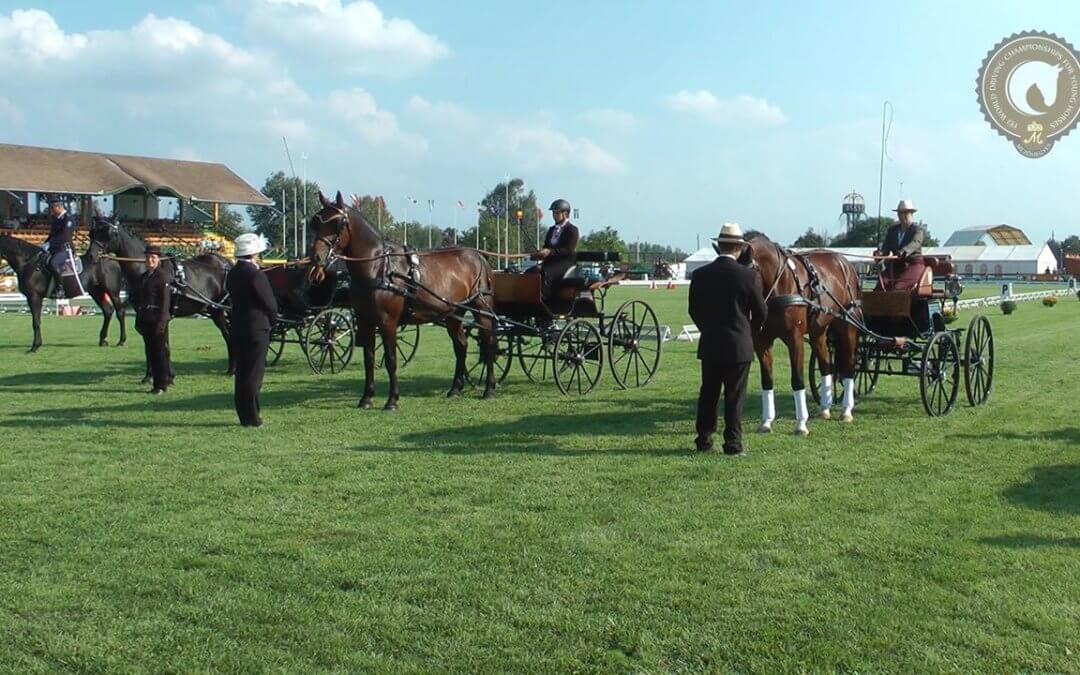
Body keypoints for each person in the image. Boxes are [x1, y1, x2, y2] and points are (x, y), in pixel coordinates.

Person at [688, 223, 767, 456]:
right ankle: (733, 444)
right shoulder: (748, 276)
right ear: (740, 249)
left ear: (718, 246)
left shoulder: (700, 275)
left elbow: (694, 310)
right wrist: (748, 330)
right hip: (739, 345)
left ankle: (703, 439)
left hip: (711, 342)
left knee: (708, 393)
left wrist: (708, 328)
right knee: (734, 396)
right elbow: (761, 312)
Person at [226, 233, 278, 427]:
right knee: (254, 374)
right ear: (254, 254)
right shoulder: (256, 275)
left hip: (238, 326)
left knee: (242, 373)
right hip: (257, 328)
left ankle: (244, 415)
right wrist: (272, 321)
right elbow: (270, 304)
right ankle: (253, 417)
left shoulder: (232, 273)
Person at [135, 245, 173, 395]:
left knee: (159, 354)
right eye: (148, 257)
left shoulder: (162, 277)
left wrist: (162, 323)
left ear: (158, 260)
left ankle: (161, 385)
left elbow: (165, 303)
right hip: (146, 319)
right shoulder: (144, 278)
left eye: (153, 258)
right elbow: (140, 302)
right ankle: (156, 384)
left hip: (157, 320)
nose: (150, 260)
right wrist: (139, 321)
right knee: (150, 353)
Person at [528, 198, 580, 299]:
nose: (554, 215)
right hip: (550, 262)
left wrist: (549, 252)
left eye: (557, 213)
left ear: (565, 213)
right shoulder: (551, 230)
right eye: (553, 213)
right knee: (531, 272)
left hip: (565, 264)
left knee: (546, 272)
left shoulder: (572, 230)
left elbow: (569, 250)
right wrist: (538, 254)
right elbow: (546, 247)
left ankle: (545, 299)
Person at [875, 199, 926, 291]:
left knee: (898, 288)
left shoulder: (917, 230)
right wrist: (880, 254)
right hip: (895, 267)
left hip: (913, 265)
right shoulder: (892, 231)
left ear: (911, 214)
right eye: (900, 213)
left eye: (906, 213)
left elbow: (915, 243)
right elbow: (886, 247)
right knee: (881, 286)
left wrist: (903, 251)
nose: (902, 216)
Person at [42, 196, 79, 296]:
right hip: (54, 248)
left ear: (58, 207)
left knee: (54, 263)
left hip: (64, 249)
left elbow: (65, 236)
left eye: (52, 209)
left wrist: (50, 244)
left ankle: (60, 288)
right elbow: (52, 234)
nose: (51, 211)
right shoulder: (55, 219)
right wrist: (45, 243)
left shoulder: (68, 219)